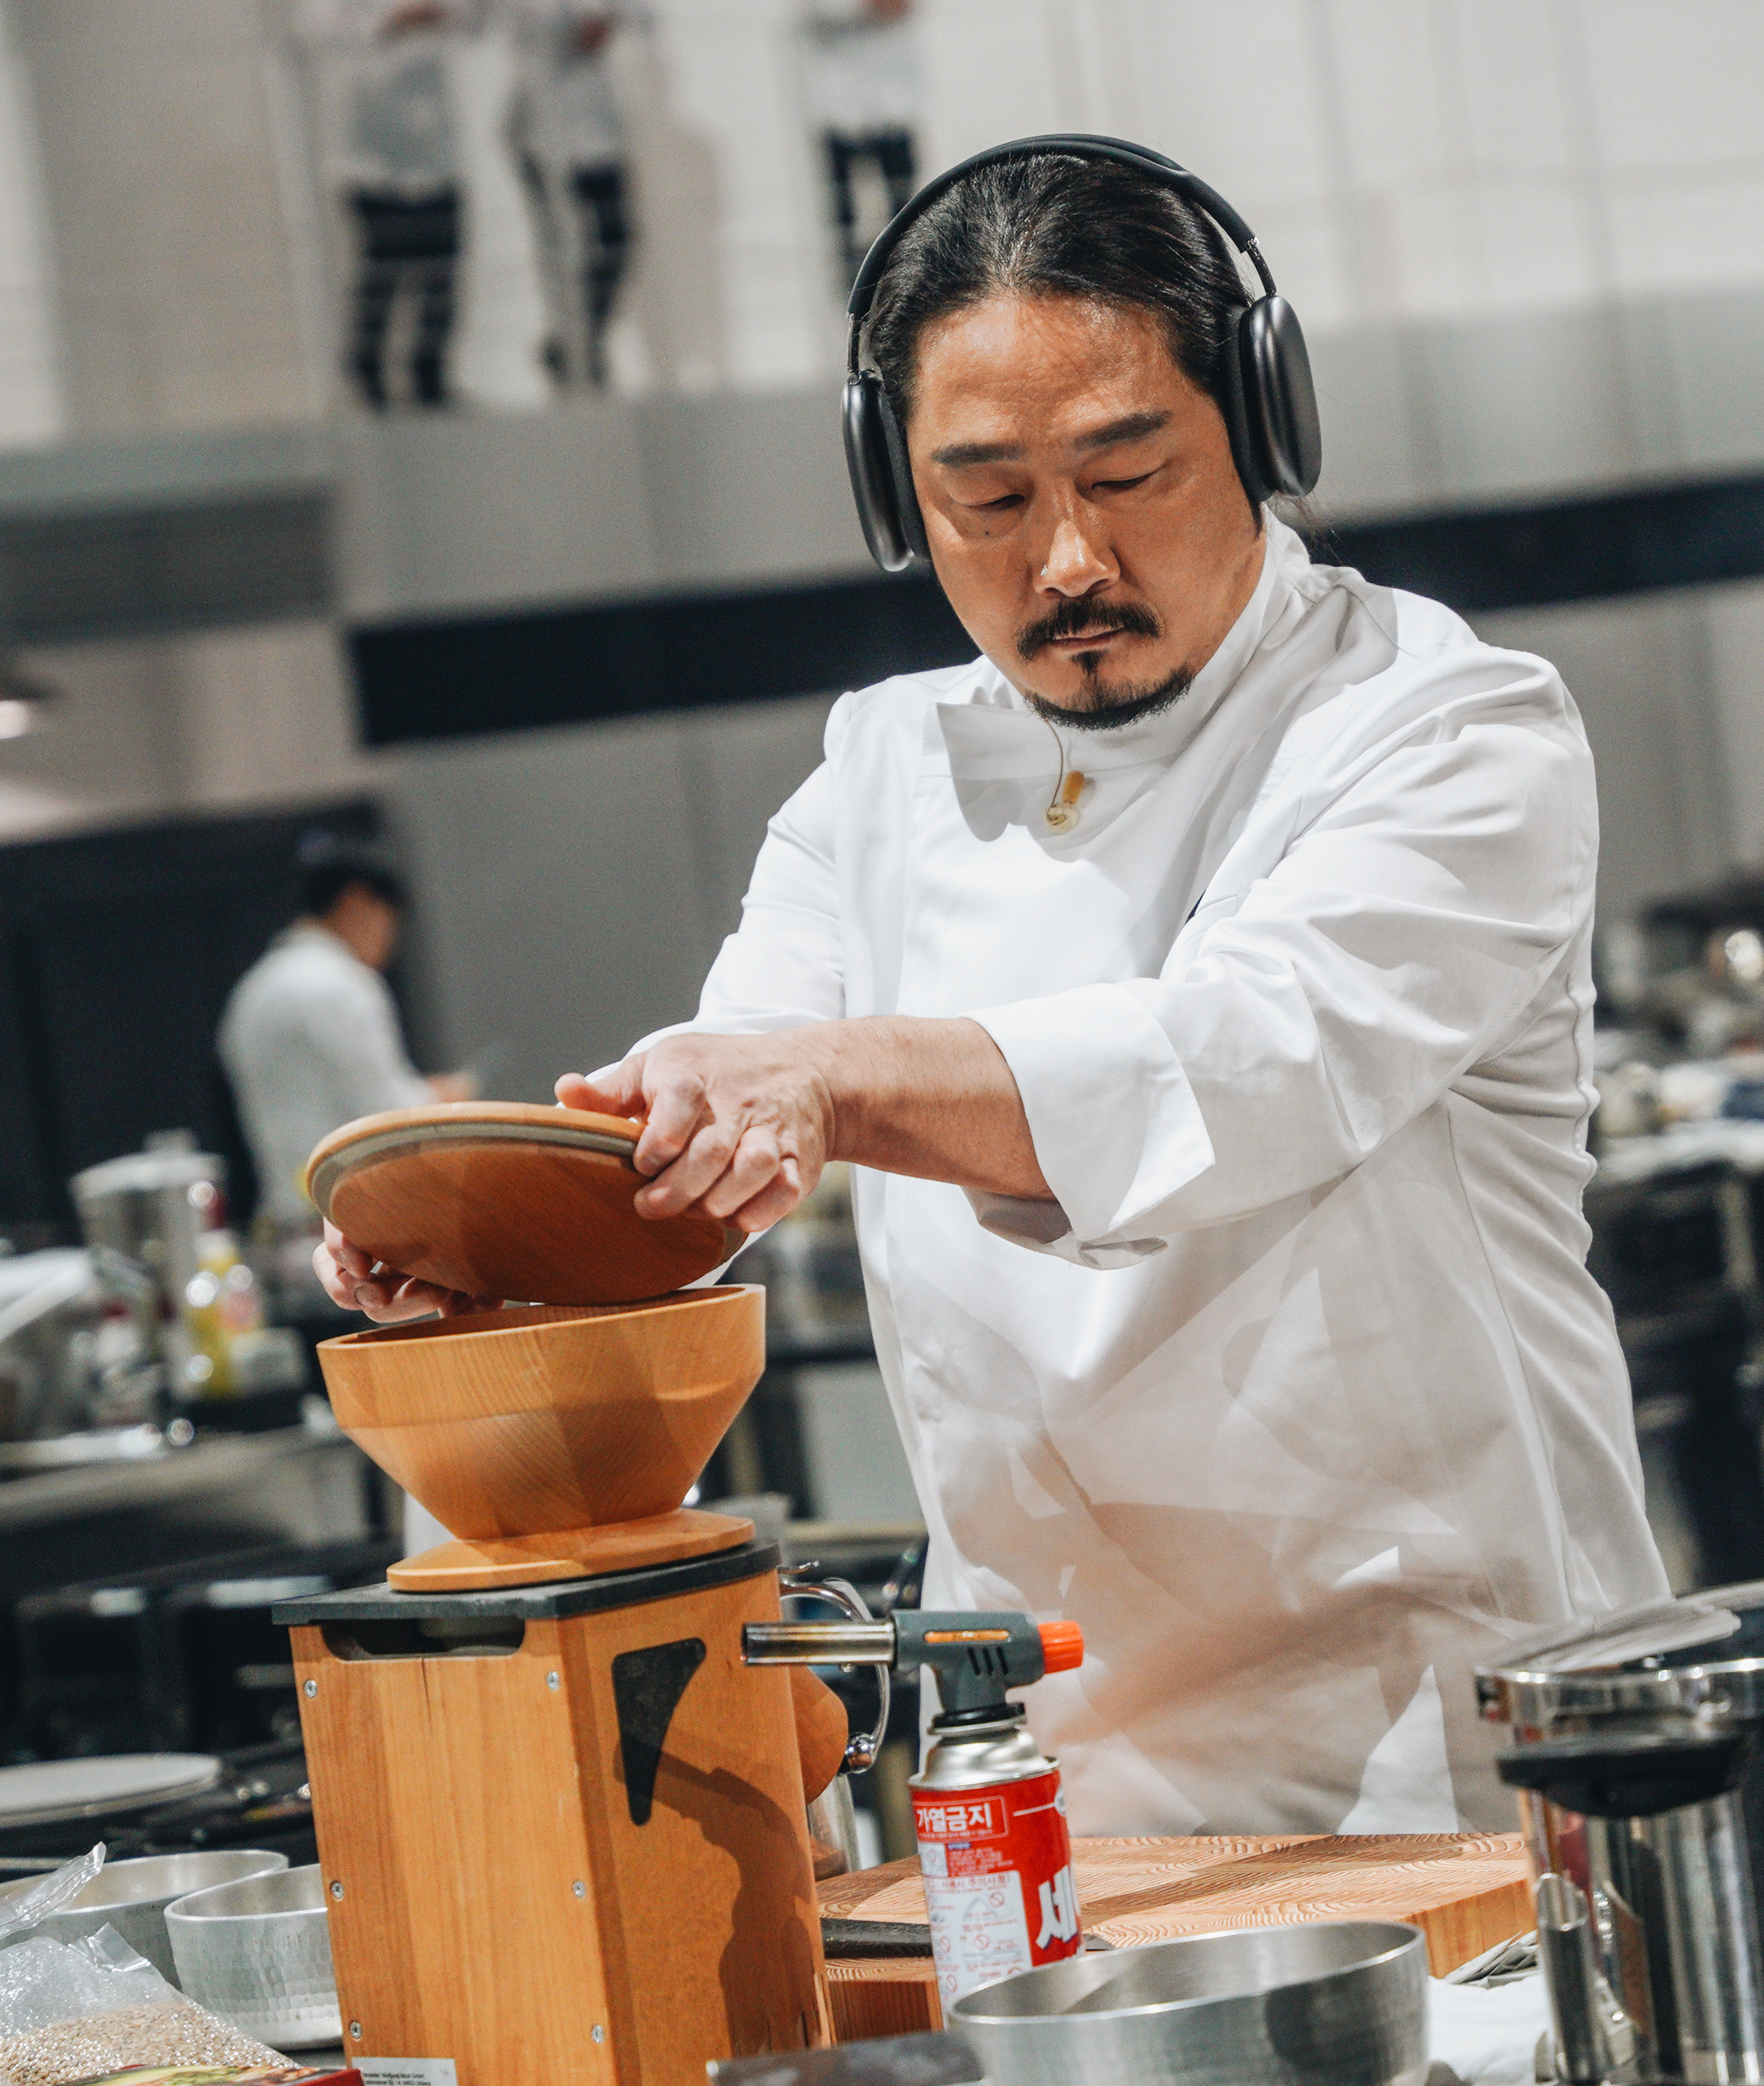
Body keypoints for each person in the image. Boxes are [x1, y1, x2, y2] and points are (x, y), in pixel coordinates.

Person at [325, 139, 1678, 1836]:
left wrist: (823, 1084)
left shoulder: (1442, 726)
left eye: (1126, 471)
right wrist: (498, 1243)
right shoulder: (878, 775)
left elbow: (1235, 1061)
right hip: (1041, 1765)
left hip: (1438, 1735)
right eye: (987, 498)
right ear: (898, 499)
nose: (1063, 564)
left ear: (1260, 431)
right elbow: (725, 1111)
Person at [220, 852, 473, 1234]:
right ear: (356, 903)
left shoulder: (252, 990)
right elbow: (388, 1115)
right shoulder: (342, 984)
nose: (389, 943)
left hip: (285, 1222)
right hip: (353, 1221)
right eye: (389, 923)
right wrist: (441, 1098)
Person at [304, 0, 474, 410]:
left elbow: (473, 19)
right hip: (371, 166)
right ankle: (368, 374)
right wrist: (400, 19)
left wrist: (429, 15)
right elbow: (320, 32)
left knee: (442, 275)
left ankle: (429, 375)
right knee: (383, 275)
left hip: (437, 161)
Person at [499, 1, 645, 394]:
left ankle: (579, 343)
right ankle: (572, 345)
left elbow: (641, 18)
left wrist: (604, 19)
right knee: (560, 247)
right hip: (540, 133)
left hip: (597, 132)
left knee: (617, 242)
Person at [801, 0, 920, 283]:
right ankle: (855, 295)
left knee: (907, 213)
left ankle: (908, 279)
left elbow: (900, 9)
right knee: (845, 223)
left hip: (893, 108)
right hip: (840, 110)